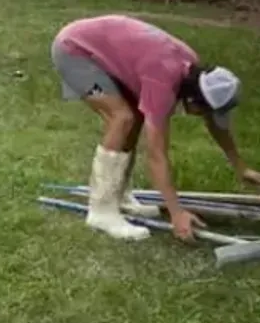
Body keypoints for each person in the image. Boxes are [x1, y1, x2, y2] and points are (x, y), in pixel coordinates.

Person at [51, 14, 259, 242]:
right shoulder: (163, 82)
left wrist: (241, 167)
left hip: (103, 50)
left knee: (135, 116)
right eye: (205, 111)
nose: (205, 117)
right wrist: (176, 213)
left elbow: (215, 123)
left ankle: (118, 196)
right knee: (121, 118)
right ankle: (101, 211)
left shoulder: (194, 70)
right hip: (74, 51)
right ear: (194, 99)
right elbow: (156, 155)